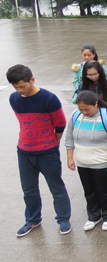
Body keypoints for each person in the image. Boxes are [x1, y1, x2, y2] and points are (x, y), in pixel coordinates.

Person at [7, 65, 71, 237]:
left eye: (22, 86)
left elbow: (60, 123)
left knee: (56, 188)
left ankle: (63, 219)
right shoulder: (14, 98)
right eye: (16, 87)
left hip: (47, 152)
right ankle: (32, 220)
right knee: (29, 190)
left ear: (32, 80)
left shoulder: (49, 98)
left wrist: (53, 142)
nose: (20, 90)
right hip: (24, 151)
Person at [65, 91, 107, 231]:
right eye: (81, 109)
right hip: (83, 162)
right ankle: (93, 216)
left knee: (104, 190)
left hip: (101, 162)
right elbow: (69, 137)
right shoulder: (75, 116)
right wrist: (70, 157)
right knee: (89, 190)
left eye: (87, 109)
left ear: (96, 104)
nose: (84, 112)